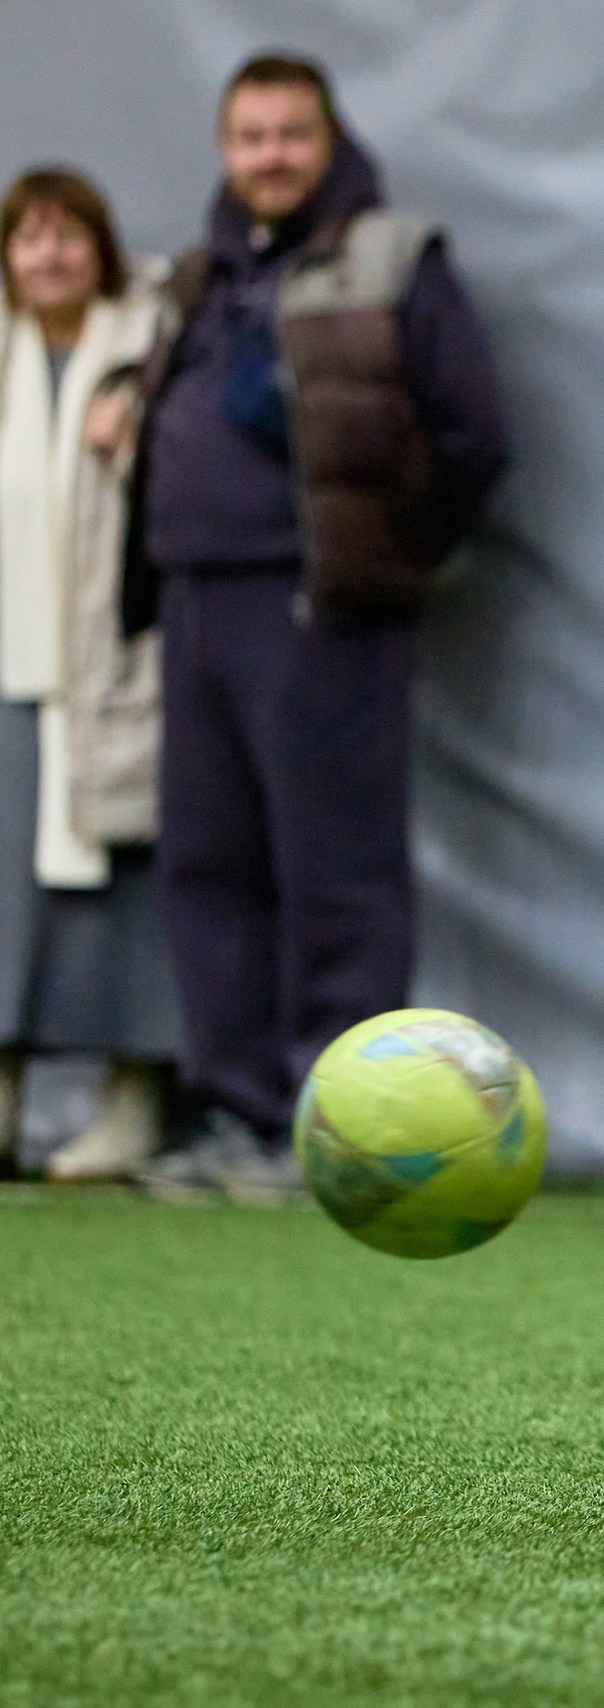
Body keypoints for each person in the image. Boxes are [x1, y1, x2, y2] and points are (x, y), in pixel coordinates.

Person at [127, 54, 507, 1199]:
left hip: (324, 611)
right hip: (194, 605)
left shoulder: (396, 259)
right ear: (226, 150)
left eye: (292, 135)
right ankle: (234, 1117)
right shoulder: (197, 276)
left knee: (334, 871)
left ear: (330, 141)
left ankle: (339, 1133)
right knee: (209, 869)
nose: (272, 156)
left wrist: (385, 562)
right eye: (251, 137)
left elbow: (475, 437)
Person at [0, 168, 179, 1181]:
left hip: (124, 664)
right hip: (13, 666)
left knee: (129, 885)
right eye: (29, 238)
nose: (50, 256)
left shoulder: (150, 345)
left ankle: (134, 1096)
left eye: (69, 236)